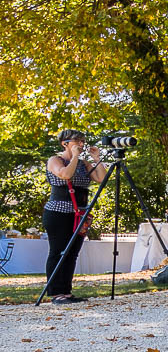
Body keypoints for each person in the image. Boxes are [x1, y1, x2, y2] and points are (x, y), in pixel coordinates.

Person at [42, 130, 110, 303]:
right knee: (58, 251)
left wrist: (96, 159)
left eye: (82, 141)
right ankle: (56, 293)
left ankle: (67, 291)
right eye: (77, 141)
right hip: (58, 211)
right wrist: (73, 157)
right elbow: (65, 174)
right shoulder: (56, 160)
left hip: (79, 213)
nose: (81, 144)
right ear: (65, 143)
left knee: (72, 253)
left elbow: (101, 179)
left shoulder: (83, 163)